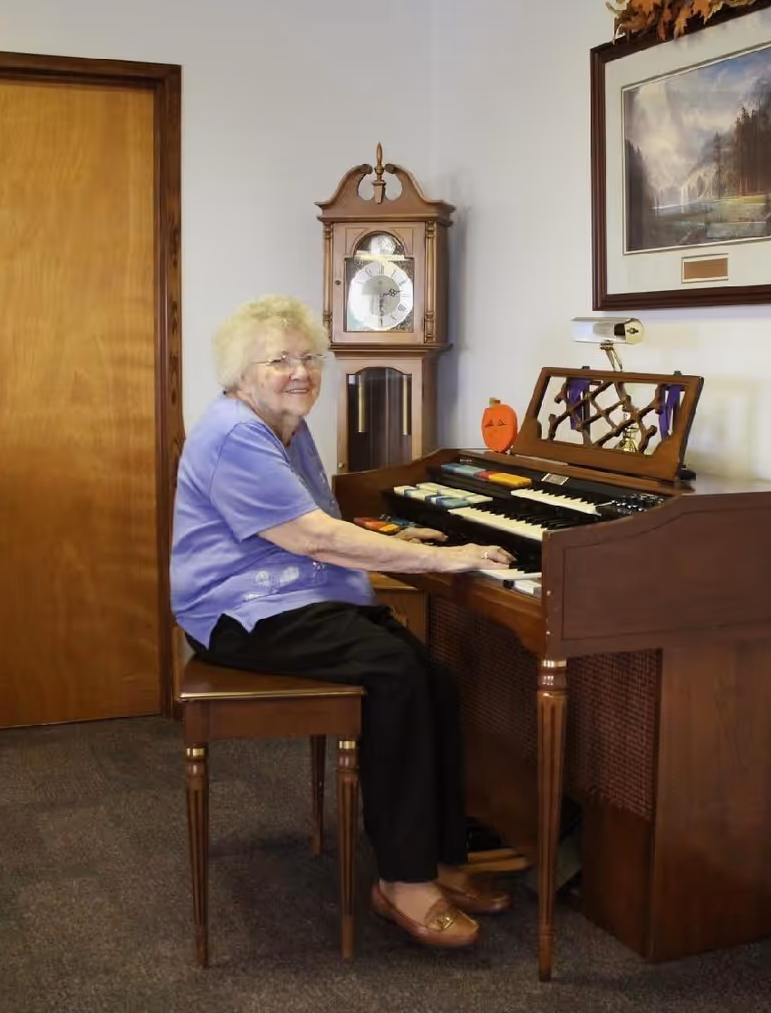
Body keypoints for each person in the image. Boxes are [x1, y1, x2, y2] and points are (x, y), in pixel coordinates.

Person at [170, 294, 516, 949]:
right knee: (397, 674)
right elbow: (315, 538)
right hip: (237, 609)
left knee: (435, 676)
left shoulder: (286, 426)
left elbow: (326, 529)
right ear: (241, 376)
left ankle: (442, 859)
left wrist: (418, 539)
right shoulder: (235, 435)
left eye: (308, 358)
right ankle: (403, 884)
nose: (300, 372)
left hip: (299, 594)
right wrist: (441, 557)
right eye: (279, 361)